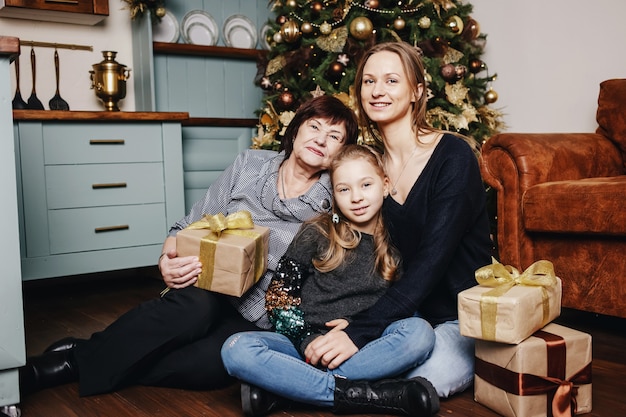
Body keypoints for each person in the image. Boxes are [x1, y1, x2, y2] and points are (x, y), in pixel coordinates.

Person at [18, 95, 359, 397]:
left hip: (259, 313)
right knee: (194, 311)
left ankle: (81, 353)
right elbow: (189, 225)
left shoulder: (334, 204)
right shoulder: (249, 164)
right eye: (315, 127)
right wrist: (167, 259)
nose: (321, 140)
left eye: (334, 137)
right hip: (208, 285)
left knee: (208, 369)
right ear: (296, 129)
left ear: (340, 154)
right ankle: (58, 367)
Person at [221, 144, 439, 417]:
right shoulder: (317, 231)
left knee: (420, 332)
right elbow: (279, 296)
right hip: (303, 346)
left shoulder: (398, 245)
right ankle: (364, 395)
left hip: (361, 348)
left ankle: (292, 390)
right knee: (236, 349)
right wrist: (306, 340)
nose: (356, 197)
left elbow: (404, 307)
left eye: (366, 185)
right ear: (334, 194)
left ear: (385, 185)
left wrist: (360, 330)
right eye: (344, 189)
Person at [337, 41, 493, 398]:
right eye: (368, 81)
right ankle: (323, 385)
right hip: (406, 318)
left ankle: (304, 389)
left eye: (392, 81)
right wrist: (357, 318)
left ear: (416, 91)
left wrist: (360, 330)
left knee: (419, 383)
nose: (377, 91)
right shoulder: (370, 170)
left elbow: (431, 261)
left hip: (460, 318)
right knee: (373, 370)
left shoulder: (453, 156)